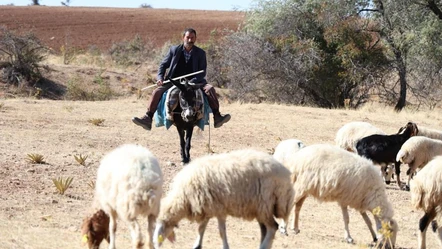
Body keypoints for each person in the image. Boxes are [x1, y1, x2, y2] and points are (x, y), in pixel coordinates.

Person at [132, 28, 231, 130]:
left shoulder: (201, 53)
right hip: (174, 81)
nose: (190, 40)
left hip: (195, 82)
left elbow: (202, 72)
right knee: (157, 92)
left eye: (192, 38)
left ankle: (217, 117)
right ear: (183, 37)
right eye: (188, 37)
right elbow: (162, 65)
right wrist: (160, 78)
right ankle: (148, 118)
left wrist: (191, 82)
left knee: (210, 89)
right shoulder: (174, 50)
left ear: (195, 39)